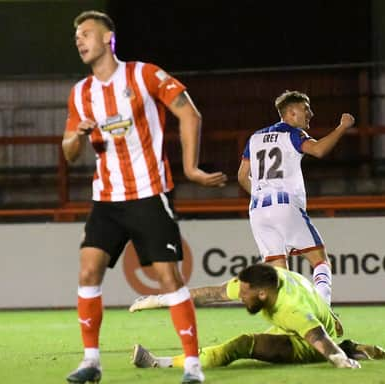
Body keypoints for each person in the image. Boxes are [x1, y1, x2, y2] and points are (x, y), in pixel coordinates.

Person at [63, 10, 227, 384]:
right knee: (88, 269)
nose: (80, 40)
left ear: (109, 39)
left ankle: (192, 366)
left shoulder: (145, 74)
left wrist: (190, 168)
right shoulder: (81, 94)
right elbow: (68, 150)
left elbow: (190, 115)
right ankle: (91, 361)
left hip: (150, 193)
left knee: (168, 278)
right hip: (106, 198)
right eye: (76, 37)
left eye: (86, 33)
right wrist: (76, 136)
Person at [129, 263, 385, 370]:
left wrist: (341, 360)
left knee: (241, 345)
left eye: (244, 294)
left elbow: (317, 337)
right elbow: (209, 293)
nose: (239, 297)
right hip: (307, 324)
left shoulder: (292, 310)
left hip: (306, 340)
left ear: (263, 294)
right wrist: (157, 300)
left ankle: (158, 363)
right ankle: (351, 347)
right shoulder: (264, 281)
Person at [237, 90, 355, 306]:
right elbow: (319, 150)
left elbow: (242, 176)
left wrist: (262, 194)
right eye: (305, 108)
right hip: (285, 206)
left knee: (280, 275)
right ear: (291, 113)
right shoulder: (293, 134)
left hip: (257, 210)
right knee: (320, 262)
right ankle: (323, 311)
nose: (310, 113)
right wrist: (342, 127)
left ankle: (291, 322)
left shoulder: (255, 138)